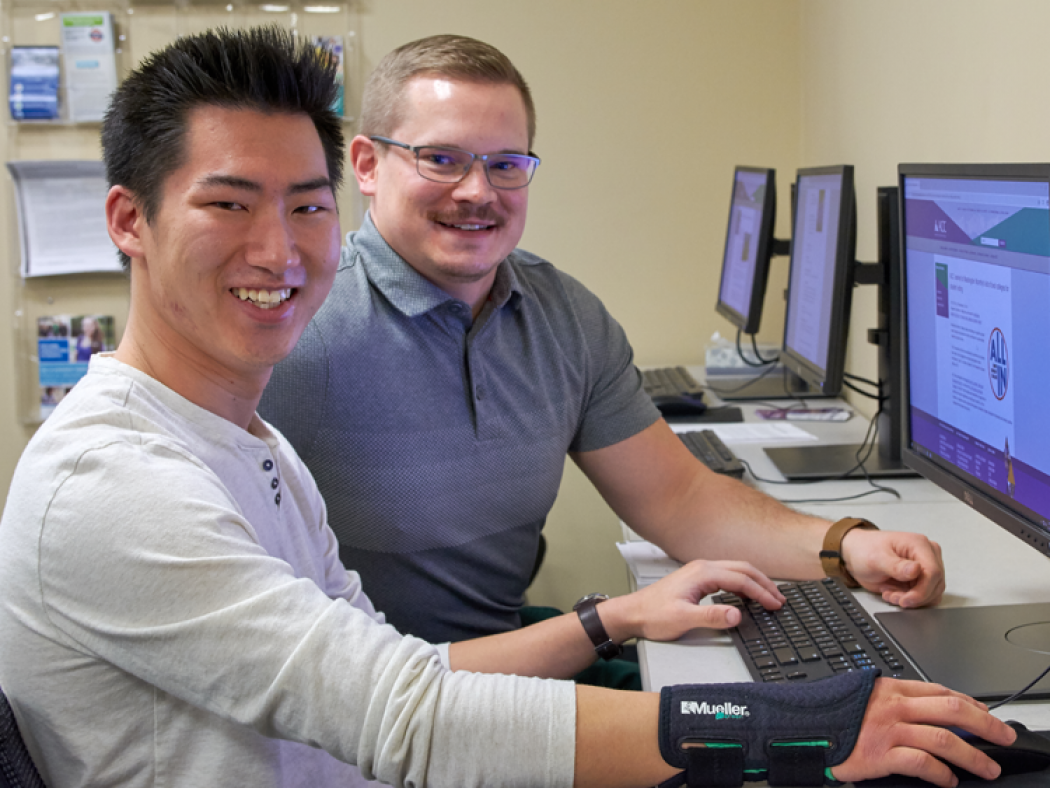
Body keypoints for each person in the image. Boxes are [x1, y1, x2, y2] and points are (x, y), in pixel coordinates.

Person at [0, 24, 1017, 788]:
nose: (277, 249)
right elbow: (407, 712)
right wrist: (789, 725)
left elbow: (402, 673)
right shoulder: (117, 481)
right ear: (129, 221)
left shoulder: (247, 440)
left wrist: (618, 613)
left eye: (302, 207)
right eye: (229, 203)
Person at [258, 33, 948, 664]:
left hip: (521, 664)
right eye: (442, 159)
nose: (478, 192)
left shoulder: (563, 317)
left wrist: (847, 545)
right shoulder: (294, 329)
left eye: (505, 165)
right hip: (374, 716)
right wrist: (613, 620)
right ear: (367, 165)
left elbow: (680, 500)